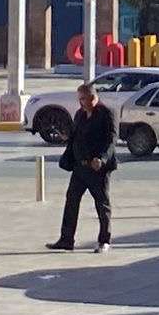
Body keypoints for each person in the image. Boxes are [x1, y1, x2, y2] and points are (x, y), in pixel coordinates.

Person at [46, 82, 118, 253]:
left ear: (93, 97)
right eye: (79, 99)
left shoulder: (107, 113)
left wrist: (101, 159)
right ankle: (66, 239)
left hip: (97, 168)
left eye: (83, 99)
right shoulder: (79, 114)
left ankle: (104, 241)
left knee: (102, 204)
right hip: (80, 167)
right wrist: (67, 139)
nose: (81, 102)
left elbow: (111, 140)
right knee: (71, 200)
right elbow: (75, 136)